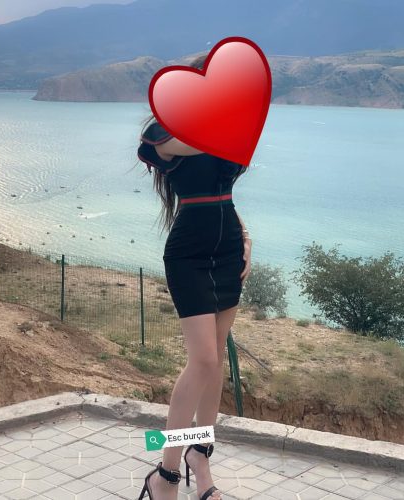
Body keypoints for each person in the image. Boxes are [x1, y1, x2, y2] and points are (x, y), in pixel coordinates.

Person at [136, 53, 252, 500]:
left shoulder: (229, 130)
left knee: (216, 360)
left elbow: (224, 196)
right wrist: (221, 127)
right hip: (188, 254)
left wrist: (246, 238)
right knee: (202, 360)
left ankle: (200, 457)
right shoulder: (166, 133)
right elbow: (163, 143)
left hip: (228, 250)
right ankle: (164, 475)